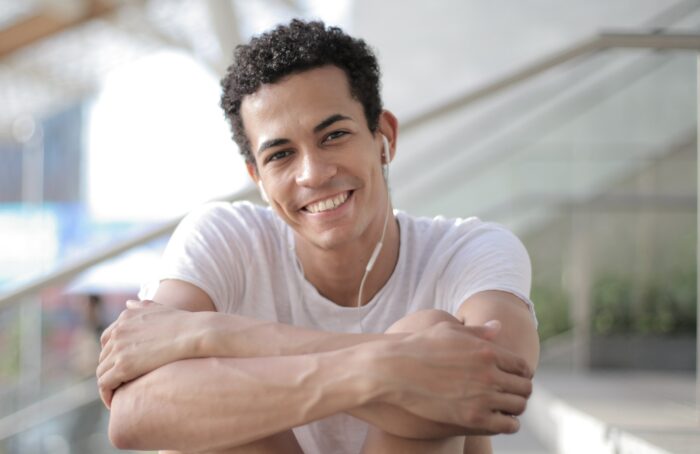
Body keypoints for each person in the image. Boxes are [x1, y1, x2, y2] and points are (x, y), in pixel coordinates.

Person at [97, 19, 539, 454]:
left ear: (383, 136)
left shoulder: (470, 251)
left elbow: (492, 383)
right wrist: (388, 366)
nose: (313, 173)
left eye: (334, 135)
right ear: (258, 177)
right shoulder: (224, 238)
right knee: (207, 413)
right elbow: (135, 414)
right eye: (281, 154)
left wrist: (214, 335)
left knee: (428, 328)